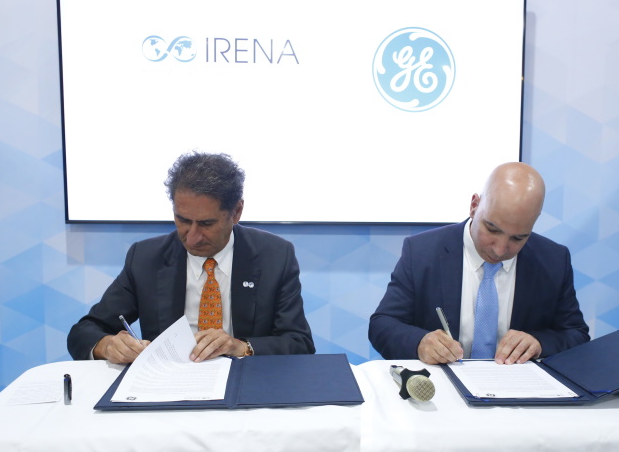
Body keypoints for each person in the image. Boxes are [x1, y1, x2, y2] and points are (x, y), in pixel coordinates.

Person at [67, 151, 315, 363]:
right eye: (183, 220)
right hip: (167, 384)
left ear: (237, 212)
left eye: (206, 224)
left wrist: (241, 347)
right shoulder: (145, 258)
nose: (193, 237)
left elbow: (299, 343)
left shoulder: (275, 256)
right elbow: (84, 332)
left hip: (245, 383)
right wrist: (107, 345)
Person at [369, 162, 589, 365]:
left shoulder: (553, 260)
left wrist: (539, 343)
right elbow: (382, 325)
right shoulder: (422, 251)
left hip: (518, 388)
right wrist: (420, 343)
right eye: (492, 229)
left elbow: (576, 334)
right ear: (474, 205)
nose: (500, 249)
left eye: (518, 238)